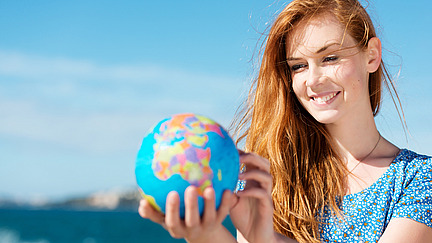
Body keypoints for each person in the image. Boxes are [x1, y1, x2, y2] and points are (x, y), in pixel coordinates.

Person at [139, 0, 432, 242]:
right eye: (299, 66)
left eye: (330, 57)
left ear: (372, 55)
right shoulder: (273, 176)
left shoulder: (419, 180)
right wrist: (208, 235)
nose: (313, 80)